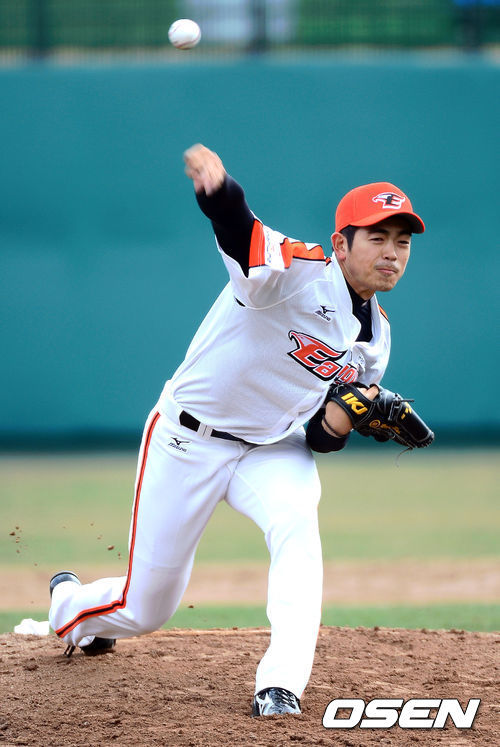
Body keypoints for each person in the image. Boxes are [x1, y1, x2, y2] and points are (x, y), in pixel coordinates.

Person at [49, 143, 425, 716]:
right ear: (341, 244)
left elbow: (322, 438)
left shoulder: (376, 339)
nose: (392, 252)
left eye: (402, 241)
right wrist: (220, 191)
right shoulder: (297, 272)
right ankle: (70, 606)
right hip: (188, 437)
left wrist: (341, 418)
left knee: (298, 529)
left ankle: (281, 685)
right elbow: (240, 231)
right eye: (378, 237)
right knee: (146, 608)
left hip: (272, 447)